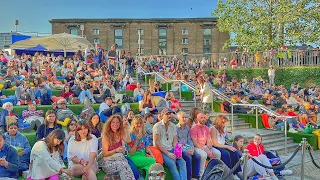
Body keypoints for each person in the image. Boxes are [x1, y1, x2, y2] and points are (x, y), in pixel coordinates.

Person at [153, 108, 187, 180]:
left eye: (170, 114)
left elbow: (175, 141)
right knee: (172, 163)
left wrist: (177, 152)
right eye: (167, 114)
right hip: (162, 151)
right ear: (162, 115)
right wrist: (168, 153)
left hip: (171, 149)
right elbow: (157, 143)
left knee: (182, 162)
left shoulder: (173, 126)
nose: (169, 116)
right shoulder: (157, 126)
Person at [100, 115, 135, 179]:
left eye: (117, 122)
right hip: (108, 161)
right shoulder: (106, 136)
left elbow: (128, 141)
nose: (115, 124)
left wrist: (126, 129)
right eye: (113, 122)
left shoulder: (120, 133)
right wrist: (116, 150)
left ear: (120, 124)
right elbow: (105, 154)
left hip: (120, 159)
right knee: (124, 166)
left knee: (126, 167)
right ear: (110, 123)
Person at [190, 112, 221, 177]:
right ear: (197, 119)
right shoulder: (194, 128)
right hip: (197, 147)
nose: (203, 119)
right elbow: (195, 143)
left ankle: (214, 172)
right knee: (204, 155)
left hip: (205, 146)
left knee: (218, 153)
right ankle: (201, 175)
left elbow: (209, 140)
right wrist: (207, 151)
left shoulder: (207, 128)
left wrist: (210, 149)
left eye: (204, 117)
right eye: (201, 118)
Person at [126, 115, 156, 179]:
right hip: (133, 156)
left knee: (151, 165)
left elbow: (147, 148)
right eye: (137, 123)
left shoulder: (144, 134)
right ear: (133, 124)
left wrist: (152, 155)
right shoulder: (130, 135)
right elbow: (131, 152)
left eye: (141, 123)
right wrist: (136, 140)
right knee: (152, 162)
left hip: (143, 154)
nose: (139, 125)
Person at [176, 111, 201, 180]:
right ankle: (189, 177)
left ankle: (195, 177)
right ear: (178, 118)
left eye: (185, 117)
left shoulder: (187, 128)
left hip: (188, 147)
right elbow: (176, 142)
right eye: (182, 117)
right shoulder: (176, 128)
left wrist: (192, 148)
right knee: (188, 157)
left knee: (197, 156)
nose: (184, 119)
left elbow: (189, 139)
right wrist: (185, 150)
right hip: (180, 148)